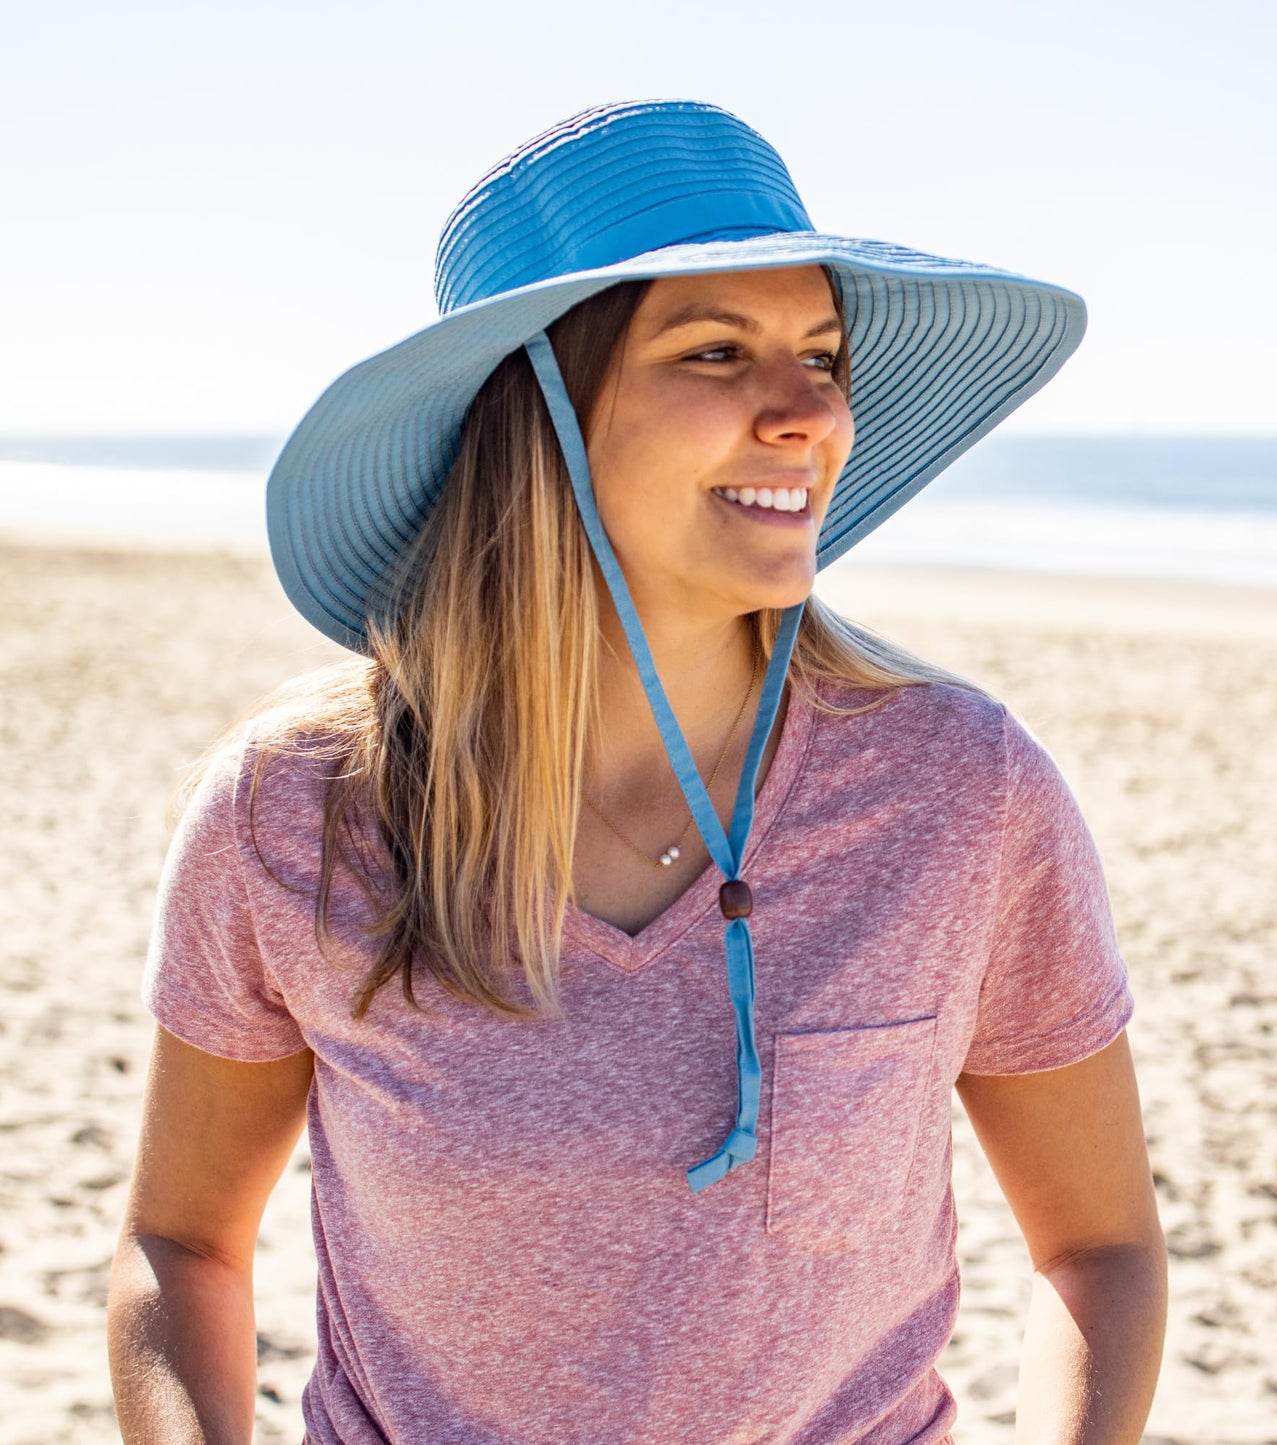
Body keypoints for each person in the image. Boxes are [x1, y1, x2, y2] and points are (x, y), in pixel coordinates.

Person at [108, 100, 1167, 1443]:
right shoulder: (302, 809)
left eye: (822, 355)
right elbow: (183, 1242)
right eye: (715, 350)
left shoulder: (962, 790)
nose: (810, 413)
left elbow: (1098, 1247)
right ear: (536, 415)